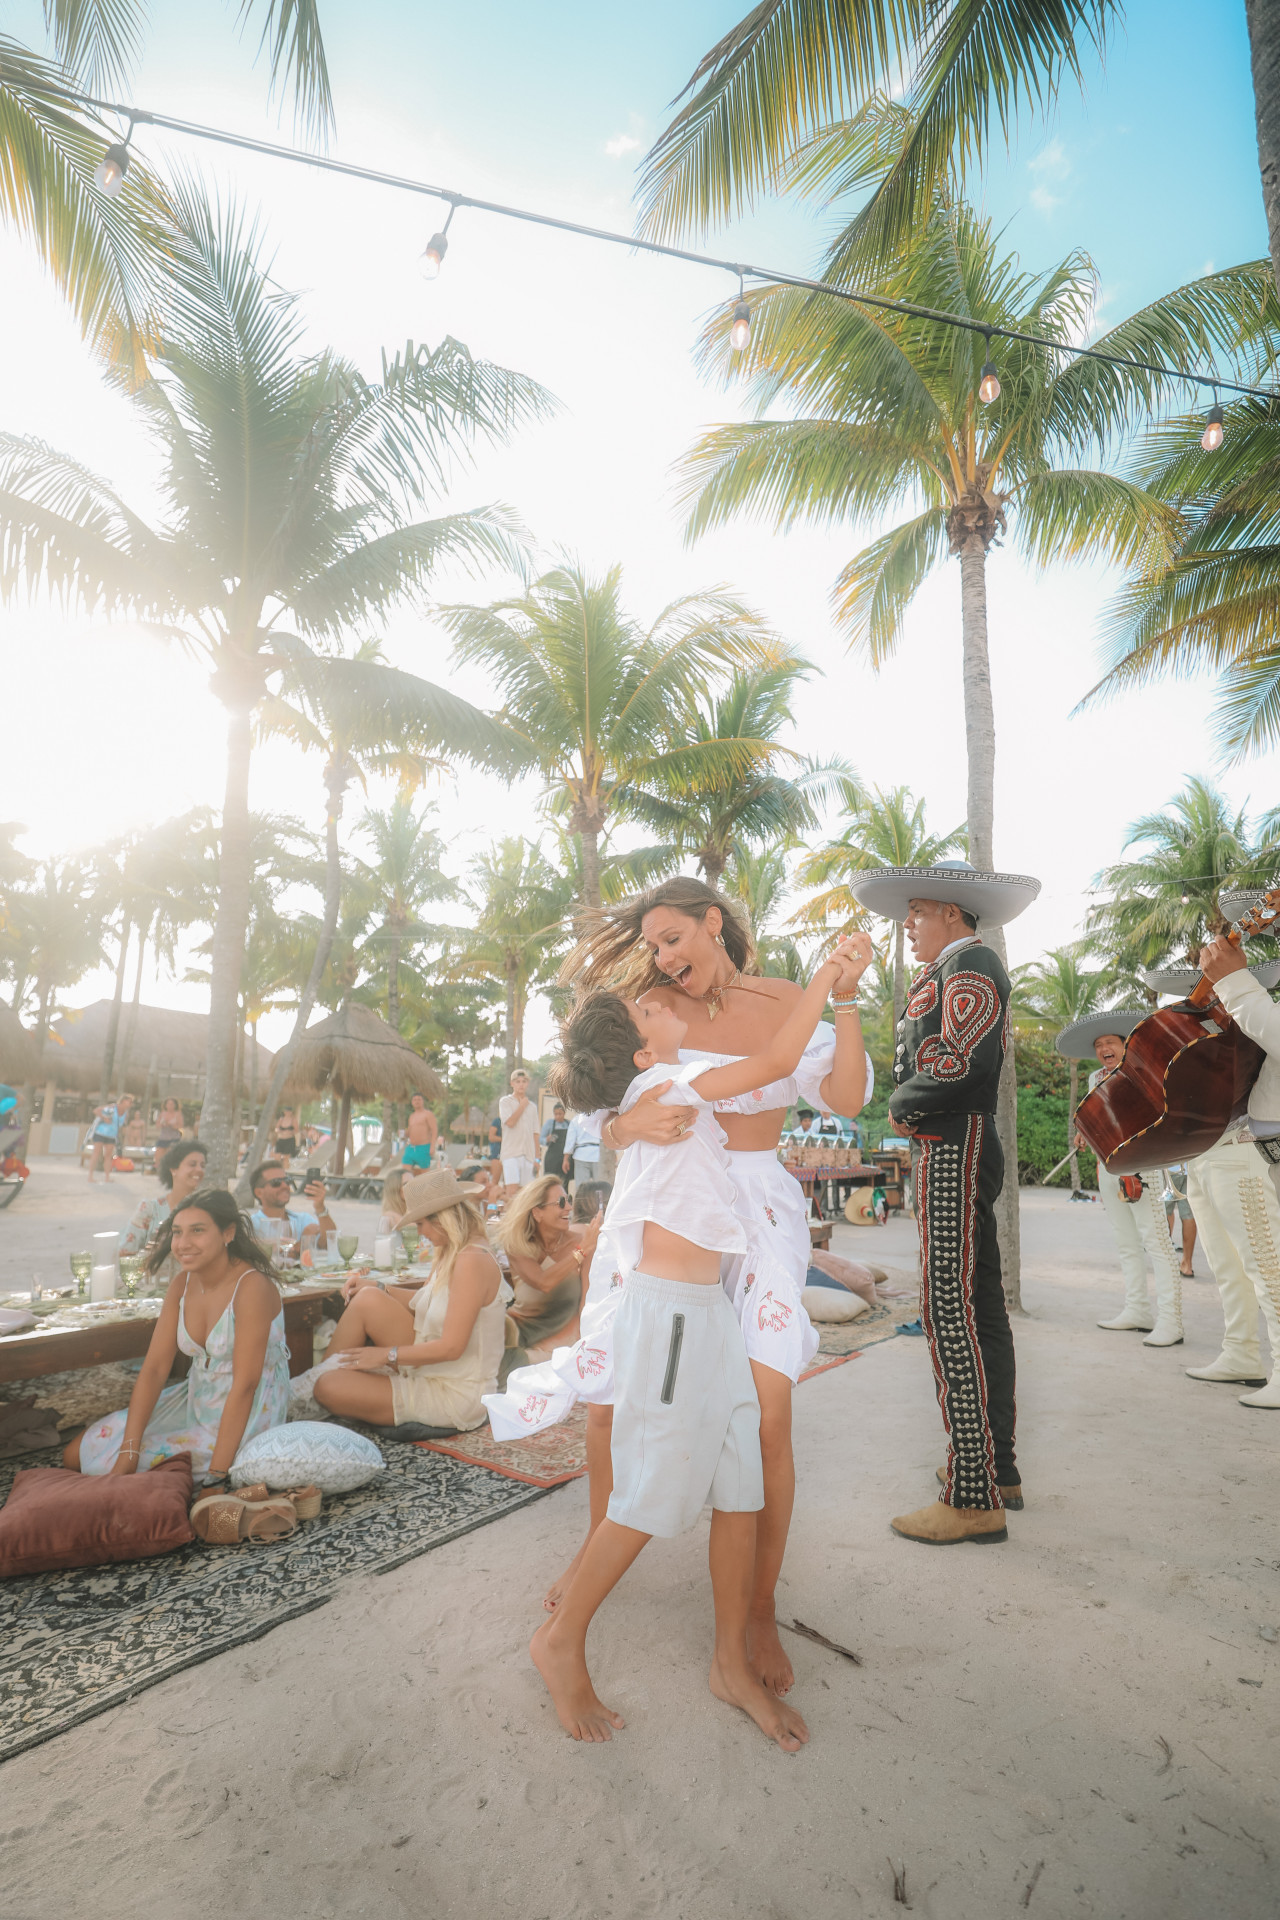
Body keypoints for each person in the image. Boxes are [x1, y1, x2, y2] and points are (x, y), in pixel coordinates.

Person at [519, 936, 866, 1748]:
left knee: (741, 1475)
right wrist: (828, 977)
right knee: (653, 1490)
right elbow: (780, 1053)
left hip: (707, 1307)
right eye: (648, 1008)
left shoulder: (658, 1090)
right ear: (644, 1048)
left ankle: (730, 1662)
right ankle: (561, 1639)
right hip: (673, 1313)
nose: (661, 998)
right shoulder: (672, 1086)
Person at [851, 858, 1041, 1545]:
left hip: (952, 1139)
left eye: (919, 913)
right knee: (978, 1300)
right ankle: (999, 1469)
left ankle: (972, 1494)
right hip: (957, 1138)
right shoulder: (959, 966)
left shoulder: (971, 965)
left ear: (954, 916)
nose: (909, 926)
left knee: (947, 1307)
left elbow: (963, 1059)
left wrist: (904, 1103)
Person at [64, 1189, 288, 1487]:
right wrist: (128, 1451)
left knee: (113, 1470)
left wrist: (217, 1477)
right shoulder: (182, 1283)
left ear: (228, 1233)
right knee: (76, 1454)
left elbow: (246, 1385)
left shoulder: (251, 1287)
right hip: (195, 1398)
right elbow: (155, 1368)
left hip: (247, 1409)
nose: (183, 1244)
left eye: (198, 1231)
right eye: (177, 1232)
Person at [313, 1170, 506, 1433]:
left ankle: (309, 1389)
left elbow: (452, 1348)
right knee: (368, 1298)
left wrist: (384, 1355)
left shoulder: (471, 1259)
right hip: (436, 1370)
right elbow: (423, 1302)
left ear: (442, 1219)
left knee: (327, 1387)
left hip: (457, 1392)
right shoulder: (452, 1250)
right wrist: (378, 1286)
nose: (419, 1232)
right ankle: (311, 1384)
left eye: (419, 1224)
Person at [1181, 917, 1280, 1408]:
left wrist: (1235, 981)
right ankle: (1241, 1352)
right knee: (1227, 1263)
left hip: (1253, 1150)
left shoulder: (1254, 1002)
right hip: (1218, 1146)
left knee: (1268, 1264)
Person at [1056, 1014, 1184, 1344]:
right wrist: (1085, 1130)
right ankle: (1137, 1309)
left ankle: (1171, 1321)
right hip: (1109, 1168)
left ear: (1125, 1044)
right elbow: (1096, 1118)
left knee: (1156, 1241)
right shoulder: (1094, 1079)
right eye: (1098, 1045)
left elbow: (1157, 1116)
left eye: (1109, 1042)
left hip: (1144, 1165)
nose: (1103, 1049)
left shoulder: (1144, 1071)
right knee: (1126, 1242)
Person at [491, 1175, 601, 1376]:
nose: (568, 1208)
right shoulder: (517, 1245)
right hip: (519, 1337)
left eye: (569, 1200)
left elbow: (587, 1301)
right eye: (560, 1203)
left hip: (564, 1344)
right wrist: (580, 1252)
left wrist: (585, 1347)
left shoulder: (582, 1242)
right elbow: (543, 1282)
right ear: (537, 1212)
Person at [119, 1138, 210, 1256]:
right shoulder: (150, 1210)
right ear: (173, 1169)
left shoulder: (207, 1211)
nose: (199, 1169)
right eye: (192, 1164)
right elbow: (125, 1253)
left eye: (202, 1165)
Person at [248, 1160, 337, 1254]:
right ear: (259, 1192)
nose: (285, 1186)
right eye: (276, 1182)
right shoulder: (251, 1225)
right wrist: (301, 1243)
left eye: (287, 1181)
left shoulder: (303, 1220)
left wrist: (320, 1208)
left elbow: (329, 1244)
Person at [498, 1070, 539, 1190]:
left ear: (528, 1084)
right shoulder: (505, 1101)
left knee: (524, 1194)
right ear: (512, 1083)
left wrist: (537, 1158)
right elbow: (510, 1123)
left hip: (528, 1155)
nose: (521, 1084)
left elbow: (535, 1132)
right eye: (518, 1081)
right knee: (511, 1192)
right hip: (511, 1153)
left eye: (524, 1081)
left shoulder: (532, 1107)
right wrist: (522, 1106)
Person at [87, 1093, 133, 1183]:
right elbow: (96, 1110)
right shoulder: (112, 1107)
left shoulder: (126, 1114)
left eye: (131, 1102)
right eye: (129, 1102)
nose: (130, 1104)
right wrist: (104, 1118)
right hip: (100, 1133)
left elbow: (121, 1127)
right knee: (96, 1154)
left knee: (108, 1156)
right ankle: (90, 1176)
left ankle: (107, 1177)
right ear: (123, 1101)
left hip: (111, 1136)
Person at [1163, 1167, 1197, 1277]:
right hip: (1189, 1168)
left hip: (1170, 1165)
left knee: (1164, 1212)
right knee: (1188, 1214)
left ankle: (1167, 1261)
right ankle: (1187, 1265)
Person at [564, 1108, 602, 1188]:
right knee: (601, 1188)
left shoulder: (576, 1119)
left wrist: (566, 1159)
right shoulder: (600, 1117)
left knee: (582, 1188)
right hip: (598, 1155)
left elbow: (570, 1141)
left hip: (581, 1156)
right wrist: (614, 1154)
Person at [403, 1092, 438, 1170]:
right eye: (414, 1100)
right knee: (405, 1170)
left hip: (424, 1147)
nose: (417, 1101)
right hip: (411, 1147)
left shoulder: (428, 1114)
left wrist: (432, 1147)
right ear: (412, 1102)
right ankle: (408, 1182)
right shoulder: (411, 1116)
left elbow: (434, 1130)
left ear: (423, 1101)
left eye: (419, 1099)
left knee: (424, 1174)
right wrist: (404, 1133)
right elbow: (409, 1132)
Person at [540, 1102, 570, 1179]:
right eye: (556, 1114)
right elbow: (540, 1139)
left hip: (564, 1158)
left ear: (564, 1113)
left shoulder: (569, 1124)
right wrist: (547, 1139)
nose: (558, 1116)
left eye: (560, 1114)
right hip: (552, 1158)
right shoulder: (549, 1123)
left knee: (564, 1181)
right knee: (549, 1180)